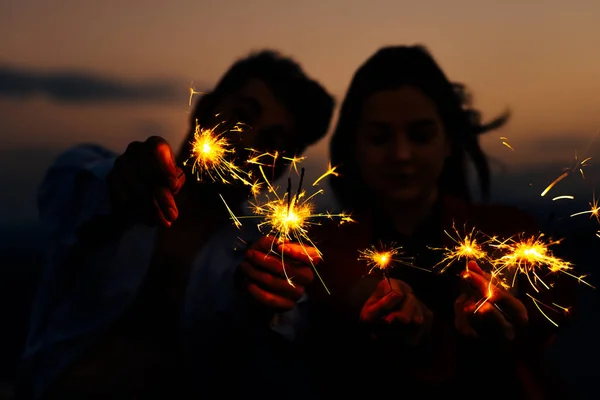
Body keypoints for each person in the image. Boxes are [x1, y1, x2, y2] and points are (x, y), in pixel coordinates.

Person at [239, 45, 576, 399]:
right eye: (379, 137)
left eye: (420, 135)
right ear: (354, 146)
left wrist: (515, 305)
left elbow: (558, 308)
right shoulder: (321, 243)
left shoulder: (510, 230)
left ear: (448, 141)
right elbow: (333, 289)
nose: (401, 154)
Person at [18, 49, 334, 399]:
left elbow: (276, 344)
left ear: (281, 168)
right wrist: (120, 186)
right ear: (203, 108)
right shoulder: (96, 180)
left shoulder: (262, 256)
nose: (245, 143)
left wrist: (267, 306)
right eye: (241, 117)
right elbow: (73, 194)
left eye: (271, 143)